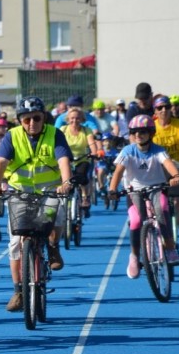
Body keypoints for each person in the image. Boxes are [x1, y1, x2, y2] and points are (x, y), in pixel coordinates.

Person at [0, 97, 73, 312]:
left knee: (59, 214)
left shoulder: (55, 134)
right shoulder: (12, 136)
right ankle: (18, 291)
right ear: (20, 121)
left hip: (49, 190)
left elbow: (63, 160)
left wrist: (66, 183)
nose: (31, 123)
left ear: (44, 118)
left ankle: (53, 248)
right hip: (20, 192)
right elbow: (0, 163)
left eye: (36, 118)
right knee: (16, 243)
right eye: (26, 120)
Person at [109, 115, 179, 273]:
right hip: (134, 191)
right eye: (134, 132)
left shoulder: (158, 150)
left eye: (143, 132)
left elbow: (167, 163)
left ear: (151, 133)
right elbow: (118, 171)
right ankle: (134, 256)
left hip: (156, 188)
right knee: (136, 220)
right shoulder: (128, 151)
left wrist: (176, 176)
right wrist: (112, 189)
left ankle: (169, 247)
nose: (138, 135)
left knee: (162, 208)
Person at [60, 107, 99, 218]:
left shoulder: (86, 131)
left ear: (82, 119)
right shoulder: (63, 129)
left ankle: (85, 197)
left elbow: (91, 143)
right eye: (72, 118)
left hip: (82, 159)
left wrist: (94, 152)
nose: (74, 120)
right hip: (66, 159)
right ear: (68, 119)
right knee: (65, 180)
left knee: (81, 176)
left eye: (77, 118)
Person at [153, 95, 179, 218]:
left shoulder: (177, 125)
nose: (164, 110)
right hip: (157, 167)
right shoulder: (151, 128)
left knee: (177, 201)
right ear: (155, 111)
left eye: (167, 107)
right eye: (160, 108)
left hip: (176, 165)